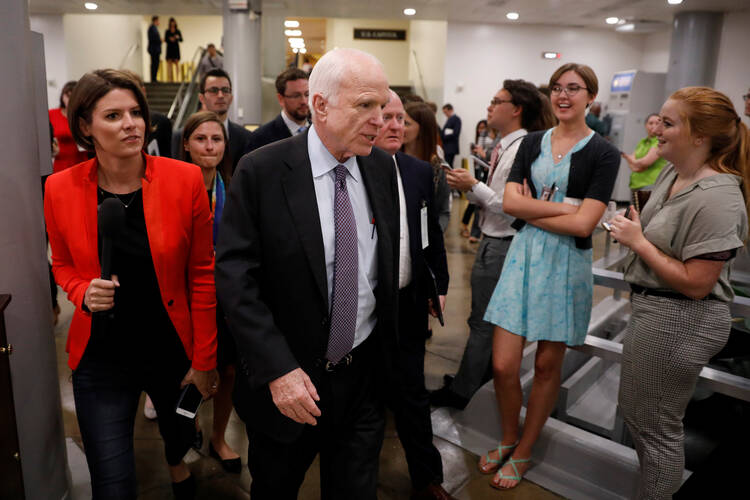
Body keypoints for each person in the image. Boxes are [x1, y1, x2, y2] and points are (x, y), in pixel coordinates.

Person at [215, 48, 399, 500]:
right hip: (288, 384)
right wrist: (278, 370)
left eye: (383, 104)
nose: (382, 120)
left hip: (362, 382)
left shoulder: (379, 165)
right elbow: (237, 277)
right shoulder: (262, 170)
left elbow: (385, 272)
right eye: (365, 106)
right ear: (320, 105)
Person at [43, 69, 218, 499]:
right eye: (114, 115)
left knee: (179, 437)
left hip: (170, 349)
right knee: (113, 482)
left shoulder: (184, 180)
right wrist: (82, 291)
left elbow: (202, 273)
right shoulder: (60, 188)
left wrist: (205, 357)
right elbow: (62, 264)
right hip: (101, 357)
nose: (131, 124)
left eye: (136, 112)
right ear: (85, 127)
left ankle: (176, 463)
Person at [481, 63, 619, 490]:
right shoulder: (534, 142)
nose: (563, 95)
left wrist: (539, 209)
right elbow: (510, 203)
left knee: (544, 365)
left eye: (574, 89)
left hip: (565, 265)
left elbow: (584, 228)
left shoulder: (603, 153)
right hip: (522, 258)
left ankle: (523, 450)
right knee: (503, 365)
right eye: (557, 88)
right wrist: (568, 207)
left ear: (590, 97)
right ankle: (508, 435)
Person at [610, 87, 750, 500]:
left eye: (668, 123)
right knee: (641, 418)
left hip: (682, 319)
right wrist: (635, 229)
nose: (657, 130)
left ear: (700, 136)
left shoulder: (719, 197)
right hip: (656, 310)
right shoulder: (672, 173)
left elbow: (697, 282)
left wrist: (639, 242)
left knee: (656, 432)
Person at [433, 80, 555, 411]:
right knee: (486, 322)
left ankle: (465, 392)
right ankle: (473, 383)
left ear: (516, 110)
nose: (489, 106)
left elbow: (513, 206)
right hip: (496, 239)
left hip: (504, 243)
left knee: (484, 324)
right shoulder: (507, 146)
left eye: (495, 101)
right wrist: (470, 186)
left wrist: (475, 186)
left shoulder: (521, 148)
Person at [373, 90, 452, 500]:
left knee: (412, 395)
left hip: (407, 303)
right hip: (363, 309)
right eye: (386, 117)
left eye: (401, 119)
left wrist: (437, 282)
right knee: (365, 399)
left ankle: (427, 477)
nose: (395, 126)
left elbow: (430, 235)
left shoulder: (419, 172)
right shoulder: (355, 169)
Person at [181, 111, 241, 473]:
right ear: (186, 144)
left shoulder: (233, 187)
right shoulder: (171, 187)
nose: (209, 146)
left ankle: (219, 436)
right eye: (201, 139)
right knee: (189, 370)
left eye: (216, 139)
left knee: (229, 371)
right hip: (185, 296)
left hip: (225, 296)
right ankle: (193, 424)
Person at [188, 68, 252, 177]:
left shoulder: (246, 137)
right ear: (201, 98)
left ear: (231, 98)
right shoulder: (182, 135)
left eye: (225, 90)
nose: (220, 95)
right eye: (213, 90)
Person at [403, 101, 451, 231]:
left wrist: (432, 240)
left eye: (406, 123)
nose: (399, 127)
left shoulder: (437, 169)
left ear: (422, 129)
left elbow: (443, 212)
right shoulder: (390, 160)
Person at [246, 68, 310, 153]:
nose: (304, 101)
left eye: (307, 94)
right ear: (281, 99)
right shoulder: (261, 138)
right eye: (296, 96)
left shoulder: (320, 131)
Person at [460, 120, 491, 239]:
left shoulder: (488, 141)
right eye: (479, 128)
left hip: (484, 173)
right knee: (474, 201)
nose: (481, 130)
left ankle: (471, 230)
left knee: (477, 202)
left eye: (483, 128)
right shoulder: (477, 141)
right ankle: (466, 227)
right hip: (477, 173)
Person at [622, 113, 667, 194]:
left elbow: (645, 162)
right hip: (635, 184)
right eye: (650, 123)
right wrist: (637, 164)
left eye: (657, 123)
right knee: (633, 207)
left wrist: (631, 160)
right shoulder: (642, 142)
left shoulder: (659, 142)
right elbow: (632, 166)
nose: (654, 126)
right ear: (645, 125)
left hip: (650, 184)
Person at [49, 81, 87, 173]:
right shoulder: (51, 114)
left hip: (83, 161)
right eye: (68, 96)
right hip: (61, 163)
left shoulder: (84, 116)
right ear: (62, 96)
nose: (70, 100)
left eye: (74, 96)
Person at [440, 103, 461, 168]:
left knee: (448, 165)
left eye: (446, 112)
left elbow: (456, 133)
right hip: (446, 146)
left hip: (451, 147)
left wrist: (444, 136)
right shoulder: (449, 119)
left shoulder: (456, 119)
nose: (445, 114)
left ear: (451, 110)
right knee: (447, 165)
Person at [165, 18, 183, 82]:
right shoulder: (167, 31)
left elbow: (181, 39)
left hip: (175, 48)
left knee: (176, 63)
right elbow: (165, 39)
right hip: (169, 48)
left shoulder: (178, 31)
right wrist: (170, 39)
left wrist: (177, 37)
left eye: (173, 22)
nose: (172, 24)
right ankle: (170, 79)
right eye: (171, 22)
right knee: (169, 64)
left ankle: (178, 78)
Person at [147, 16, 162, 82]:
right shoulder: (153, 28)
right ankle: (154, 78)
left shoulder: (153, 28)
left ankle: (154, 77)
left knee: (155, 63)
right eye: (158, 21)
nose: (159, 22)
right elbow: (155, 39)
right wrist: (160, 40)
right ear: (155, 21)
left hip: (154, 49)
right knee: (155, 64)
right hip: (154, 49)